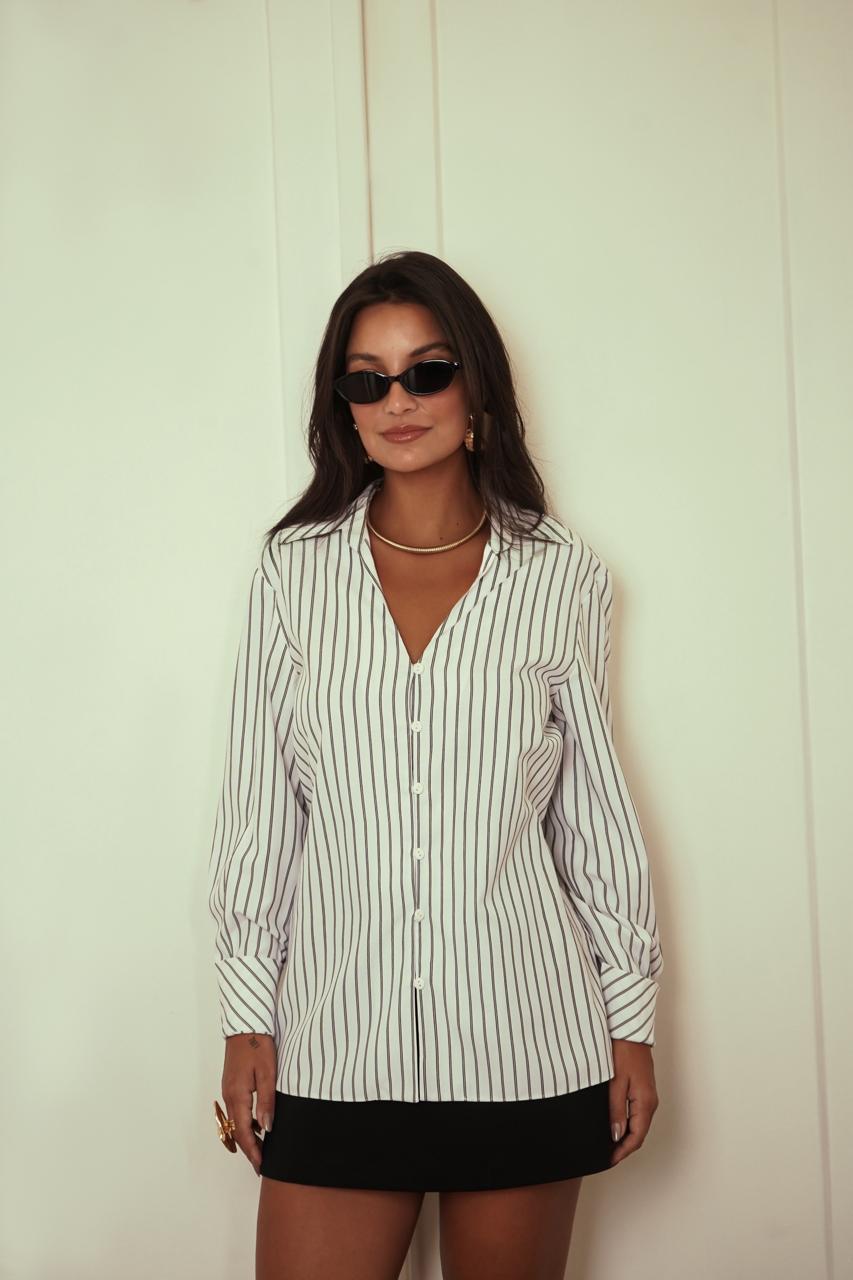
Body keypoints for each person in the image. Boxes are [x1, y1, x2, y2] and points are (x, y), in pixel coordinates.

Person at [207, 249, 664, 1280]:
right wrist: (244, 1015)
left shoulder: (560, 575)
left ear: (476, 389)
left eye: (427, 370)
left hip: (526, 1042)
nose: (397, 401)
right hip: (335, 1042)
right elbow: (261, 811)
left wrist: (629, 1023)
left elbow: (592, 814)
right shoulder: (292, 574)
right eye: (365, 380)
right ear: (342, 407)